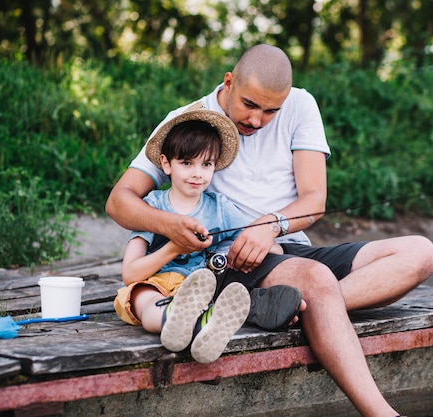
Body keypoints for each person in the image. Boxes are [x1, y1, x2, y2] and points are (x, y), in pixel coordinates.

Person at [107, 44, 433, 417]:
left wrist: (272, 225)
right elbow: (119, 200)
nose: (258, 119)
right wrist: (171, 228)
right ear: (229, 82)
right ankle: (381, 412)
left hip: (285, 246)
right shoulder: (189, 122)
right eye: (249, 104)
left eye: (271, 110)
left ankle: (288, 308)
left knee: (419, 253)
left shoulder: (301, 105)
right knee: (316, 279)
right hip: (230, 258)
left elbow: (314, 199)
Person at [114, 106, 299, 363]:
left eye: (207, 164)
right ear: (166, 164)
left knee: (212, 296)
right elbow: (130, 273)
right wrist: (174, 248)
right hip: (154, 283)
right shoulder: (152, 207)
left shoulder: (220, 209)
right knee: (144, 299)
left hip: (204, 286)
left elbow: (254, 237)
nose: (198, 173)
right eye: (187, 163)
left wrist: (265, 247)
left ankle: (203, 322)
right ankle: (185, 322)